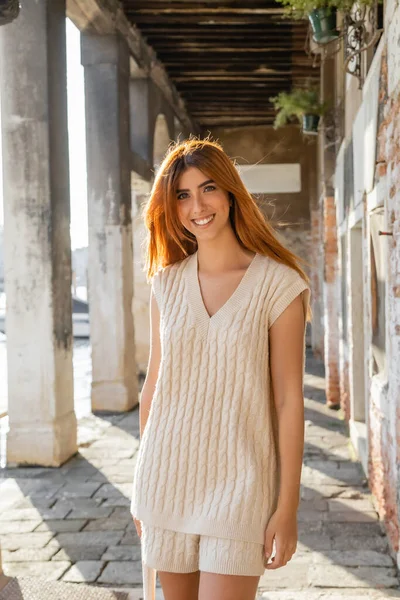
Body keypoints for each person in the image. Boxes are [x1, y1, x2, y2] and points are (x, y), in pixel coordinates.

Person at [130, 136, 312, 600]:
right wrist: (140, 481)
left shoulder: (278, 284)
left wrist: (286, 506)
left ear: (231, 192)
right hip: (166, 480)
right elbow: (154, 385)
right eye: (182, 195)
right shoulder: (166, 284)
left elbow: (289, 400)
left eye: (208, 188)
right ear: (170, 208)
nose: (198, 205)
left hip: (242, 487)